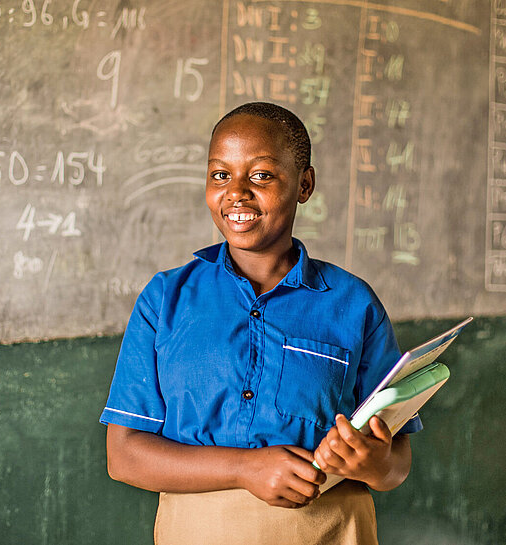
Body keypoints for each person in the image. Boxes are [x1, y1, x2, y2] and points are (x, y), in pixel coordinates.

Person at [100, 102, 422, 544]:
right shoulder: (165, 299)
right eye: (219, 175)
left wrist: (374, 464)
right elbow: (124, 457)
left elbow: (396, 460)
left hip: (328, 531)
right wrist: (245, 467)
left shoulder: (352, 303)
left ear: (304, 184)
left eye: (261, 175)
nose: (236, 192)